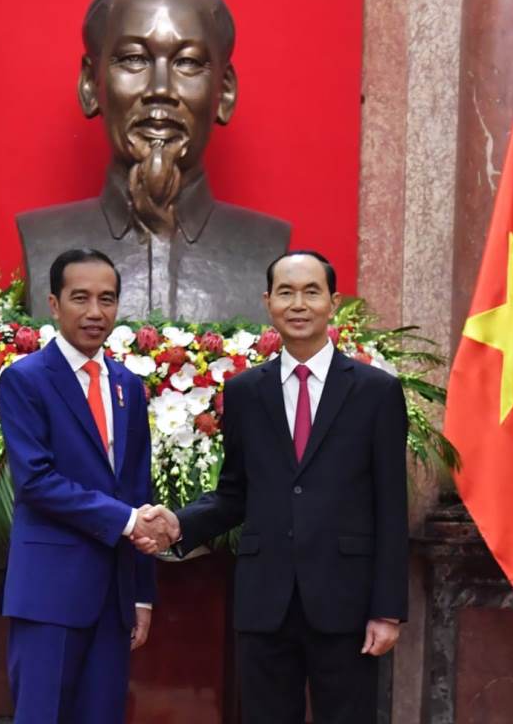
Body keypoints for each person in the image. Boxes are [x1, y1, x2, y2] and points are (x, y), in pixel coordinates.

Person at [140, 251, 409, 724]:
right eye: (286, 292)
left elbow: (391, 506)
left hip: (345, 601)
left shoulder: (375, 392)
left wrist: (387, 610)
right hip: (265, 601)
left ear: (333, 302)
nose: (298, 304)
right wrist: (179, 524)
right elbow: (235, 493)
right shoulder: (245, 392)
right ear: (268, 302)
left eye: (311, 292)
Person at [17, 0, 290, 322]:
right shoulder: (43, 240)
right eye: (134, 59)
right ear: (90, 85)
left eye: (188, 63)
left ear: (224, 92)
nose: (160, 89)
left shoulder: (267, 247)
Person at [0, 248, 167, 724]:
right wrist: (128, 521)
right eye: (81, 298)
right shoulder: (25, 380)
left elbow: (138, 487)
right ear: (54, 304)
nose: (95, 312)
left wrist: (141, 594)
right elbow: (36, 481)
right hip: (48, 593)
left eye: (106, 299)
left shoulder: (128, 385)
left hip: (114, 598)